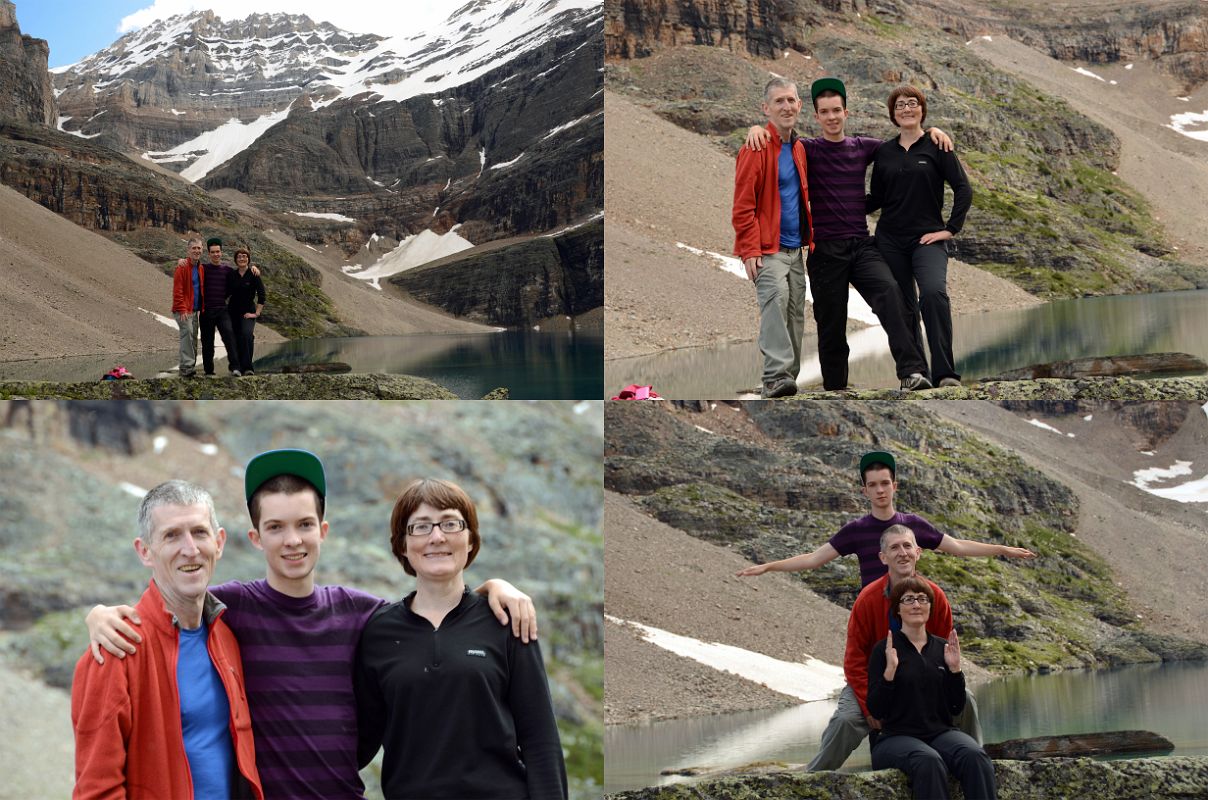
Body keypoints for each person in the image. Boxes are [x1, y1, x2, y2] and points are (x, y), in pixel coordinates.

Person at [86, 449, 537, 799]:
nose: (293, 541)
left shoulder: (364, 614)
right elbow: (173, 602)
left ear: (323, 530)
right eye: (277, 528)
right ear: (255, 538)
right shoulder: (232, 608)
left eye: (304, 524)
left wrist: (492, 588)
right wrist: (101, 614)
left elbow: (431, 614)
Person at [355, 479, 568, 799]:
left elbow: (541, 741)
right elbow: (358, 743)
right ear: (402, 545)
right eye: (421, 527)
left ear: (470, 540)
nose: (437, 537)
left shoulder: (507, 620)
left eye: (451, 523)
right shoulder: (377, 633)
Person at [745, 78, 946, 391]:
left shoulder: (864, 147)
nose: (832, 117)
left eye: (837, 110)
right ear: (816, 115)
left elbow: (904, 144)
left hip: (862, 246)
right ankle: (836, 389)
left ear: (846, 112)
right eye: (824, 112)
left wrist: (931, 132)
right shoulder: (805, 149)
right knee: (831, 325)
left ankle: (913, 373)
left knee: (892, 296)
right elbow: (777, 141)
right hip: (825, 251)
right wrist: (756, 129)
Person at [70, 480, 263, 799]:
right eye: (172, 535)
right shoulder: (117, 649)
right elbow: (96, 790)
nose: (190, 549)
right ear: (145, 551)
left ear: (219, 542)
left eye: (200, 532)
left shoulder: (226, 636)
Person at [806, 524, 982, 771]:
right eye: (894, 547)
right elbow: (855, 660)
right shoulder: (867, 599)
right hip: (876, 683)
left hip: (921, 680)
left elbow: (942, 652)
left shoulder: (936, 597)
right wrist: (869, 706)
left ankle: (973, 761)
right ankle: (813, 779)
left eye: (908, 546)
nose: (902, 553)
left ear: (918, 552)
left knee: (966, 701)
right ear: (883, 557)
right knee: (846, 720)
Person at [736, 450, 1034, 588]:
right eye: (873, 485)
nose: (880, 490)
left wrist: (1002, 550)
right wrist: (770, 567)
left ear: (895, 486)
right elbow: (814, 559)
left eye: (885, 483)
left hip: (910, 606)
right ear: (864, 490)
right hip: (874, 612)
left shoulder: (914, 526)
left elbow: (957, 547)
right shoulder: (856, 530)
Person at [868, 86, 973, 388]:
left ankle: (945, 374)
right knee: (904, 306)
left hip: (928, 239)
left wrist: (950, 228)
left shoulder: (937, 145)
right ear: (893, 114)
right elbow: (876, 198)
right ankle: (917, 375)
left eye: (912, 104)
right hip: (890, 240)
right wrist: (834, 202)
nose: (906, 109)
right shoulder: (884, 152)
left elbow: (963, 189)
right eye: (900, 105)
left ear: (922, 110)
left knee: (932, 293)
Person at [867, 576, 997, 799]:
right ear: (897, 609)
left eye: (922, 599)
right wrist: (890, 672)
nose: (916, 604)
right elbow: (876, 710)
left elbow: (956, 707)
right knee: (928, 761)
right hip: (894, 738)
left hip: (940, 733)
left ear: (930, 607)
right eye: (908, 599)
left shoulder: (942, 648)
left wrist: (955, 670)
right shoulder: (885, 650)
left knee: (975, 755)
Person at [732, 77, 815, 398]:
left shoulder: (799, 148)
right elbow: (743, 205)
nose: (786, 106)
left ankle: (786, 379)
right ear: (766, 108)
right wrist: (749, 249)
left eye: (791, 100)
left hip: (796, 250)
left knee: (795, 311)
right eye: (779, 101)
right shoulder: (756, 147)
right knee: (775, 304)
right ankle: (774, 376)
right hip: (768, 250)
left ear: (799, 105)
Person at [198, 237, 242, 377]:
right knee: (207, 342)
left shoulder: (228, 270)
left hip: (222, 310)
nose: (216, 254)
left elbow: (241, 275)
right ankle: (209, 371)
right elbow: (189, 267)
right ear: (209, 253)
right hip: (206, 311)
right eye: (213, 252)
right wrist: (182, 261)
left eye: (218, 251)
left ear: (221, 252)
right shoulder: (202, 268)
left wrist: (253, 268)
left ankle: (235, 368)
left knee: (229, 336)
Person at [228, 247, 266, 376]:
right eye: (239, 256)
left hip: (248, 312)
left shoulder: (254, 274)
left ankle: (248, 367)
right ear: (236, 260)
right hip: (233, 312)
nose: (242, 258)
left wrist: (256, 313)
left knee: (247, 334)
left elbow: (262, 295)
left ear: (248, 259)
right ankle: (237, 368)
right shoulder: (232, 275)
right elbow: (225, 293)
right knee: (235, 338)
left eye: (244, 256)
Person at [170, 238, 205, 378]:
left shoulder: (201, 268)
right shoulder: (182, 267)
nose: (196, 251)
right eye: (193, 248)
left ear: (202, 250)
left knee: (193, 338)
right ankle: (186, 368)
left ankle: (190, 367)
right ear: (188, 250)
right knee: (188, 336)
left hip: (194, 310)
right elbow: (177, 290)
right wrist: (182, 309)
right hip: (183, 310)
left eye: (199, 248)